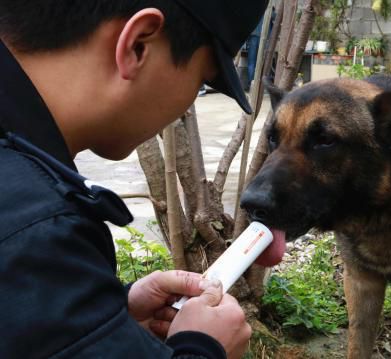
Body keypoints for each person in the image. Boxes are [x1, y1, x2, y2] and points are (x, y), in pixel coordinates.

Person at [0, 0, 267, 358]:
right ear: (138, 45)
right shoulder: (35, 228)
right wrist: (202, 349)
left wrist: (101, 319)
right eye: (202, 79)